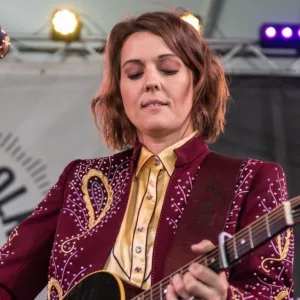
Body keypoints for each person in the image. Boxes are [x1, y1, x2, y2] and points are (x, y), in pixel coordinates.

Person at [0, 11, 294, 300]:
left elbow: (273, 293)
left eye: (168, 69)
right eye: (134, 73)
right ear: (120, 92)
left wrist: (225, 298)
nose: (150, 82)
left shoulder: (253, 179)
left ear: (198, 82)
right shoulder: (80, 180)